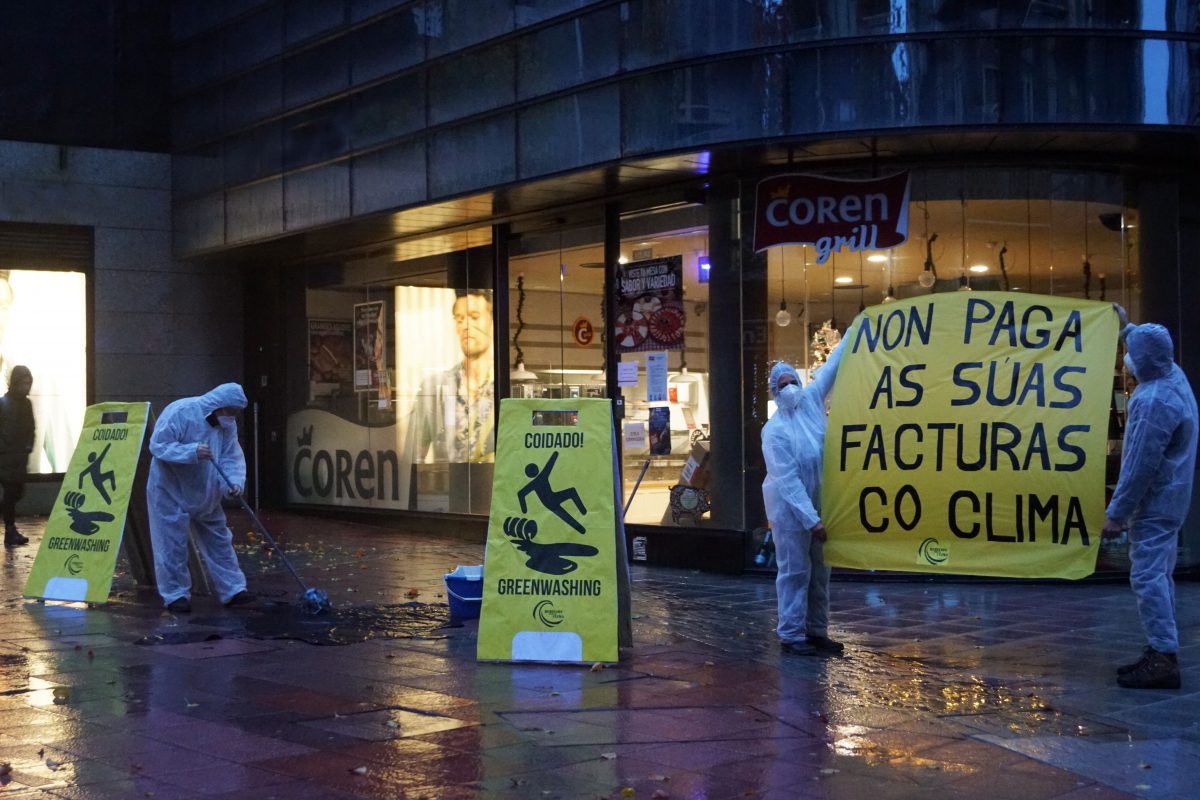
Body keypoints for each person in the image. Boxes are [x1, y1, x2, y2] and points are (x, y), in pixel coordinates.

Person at [1102, 305, 1197, 689]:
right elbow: (1149, 346)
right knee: (1161, 574)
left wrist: (1117, 513)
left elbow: (1139, 464)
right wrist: (1128, 328)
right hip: (1172, 500)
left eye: (1130, 356)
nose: (1126, 363)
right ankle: (1162, 647)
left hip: (1155, 503)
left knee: (1147, 577)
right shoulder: (1174, 376)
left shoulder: (1152, 400)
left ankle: (1163, 656)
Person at [762, 325, 854, 657]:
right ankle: (790, 634)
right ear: (774, 391)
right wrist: (810, 519)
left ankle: (817, 631)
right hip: (790, 514)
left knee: (820, 575)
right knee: (795, 572)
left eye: (792, 382)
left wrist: (854, 332)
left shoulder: (813, 403)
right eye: (782, 385)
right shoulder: (774, 431)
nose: (789, 389)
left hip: (821, 507)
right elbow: (787, 481)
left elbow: (833, 367)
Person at [147, 383, 255, 612]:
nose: (232, 417)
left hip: (206, 493)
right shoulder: (180, 411)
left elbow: (231, 457)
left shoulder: (227, 426)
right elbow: (158, 445)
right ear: (218, 406)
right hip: (170, 490)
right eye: (231, 411)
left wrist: (233, 483)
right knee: (171, 544)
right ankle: (175, 595)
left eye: (236, 413)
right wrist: (191, 452)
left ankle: (234, 589)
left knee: (219, 541)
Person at [406, 289, 496, 464]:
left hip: (494, 486)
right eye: (459, 319)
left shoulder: (505, 385)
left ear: (492, 323)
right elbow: (414, 456)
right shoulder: (433, 387)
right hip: (449, 486)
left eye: (475, 317)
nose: (465, 326)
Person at [0, 365, 34, 546]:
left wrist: (28, 446)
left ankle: (10, 528)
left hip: (18, 458)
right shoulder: (4, 403)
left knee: (16, 493)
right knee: (12, 493)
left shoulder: (26, 404)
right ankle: (10, 529)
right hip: (6, 459)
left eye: (29, 383)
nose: (27, 387)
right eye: (24, 383)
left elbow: (31, 428)